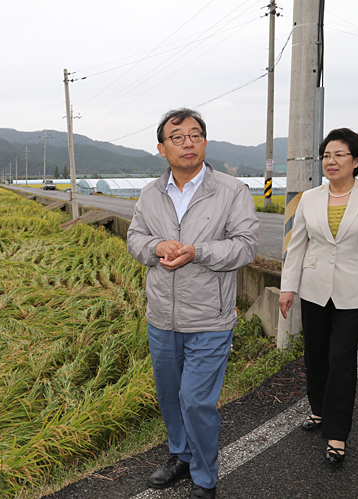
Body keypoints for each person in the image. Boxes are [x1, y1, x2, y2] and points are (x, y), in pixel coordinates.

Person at [127, 108, 259, 499]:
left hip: (210, 318)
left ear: (205, 142)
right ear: (161, 148)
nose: (188, 142)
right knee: (170, 395)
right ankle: (181, 455)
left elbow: (247, 246)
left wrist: (197, 251)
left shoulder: (232, 191)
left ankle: (205, 476)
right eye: (178, 137)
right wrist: (156, 246)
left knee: (196, 399)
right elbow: (135, 238)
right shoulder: (151, 193)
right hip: (161, 317)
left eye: (195, 135)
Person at [279, 128, 358, 464]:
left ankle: (337, 433)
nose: (331, 161)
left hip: (354, 293)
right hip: (314, 289)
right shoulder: (310, 198)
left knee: (341, 359)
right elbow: (296, 245)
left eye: (339, 154)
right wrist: (288, 287)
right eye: (327, 155)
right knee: (315, 355)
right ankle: (318, 408)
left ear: (357, 161)